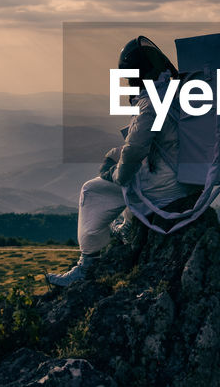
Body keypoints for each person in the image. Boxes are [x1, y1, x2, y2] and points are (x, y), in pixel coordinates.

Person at [47, 36, 196, 286]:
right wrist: (114, 157)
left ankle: (87, 264)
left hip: (169, 186)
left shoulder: (151, 103)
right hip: (190, 179)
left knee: (92, 190)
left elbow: (136, 149)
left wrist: (115, 173)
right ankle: (129, 220)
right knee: (130, 175)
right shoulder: (180, 93)